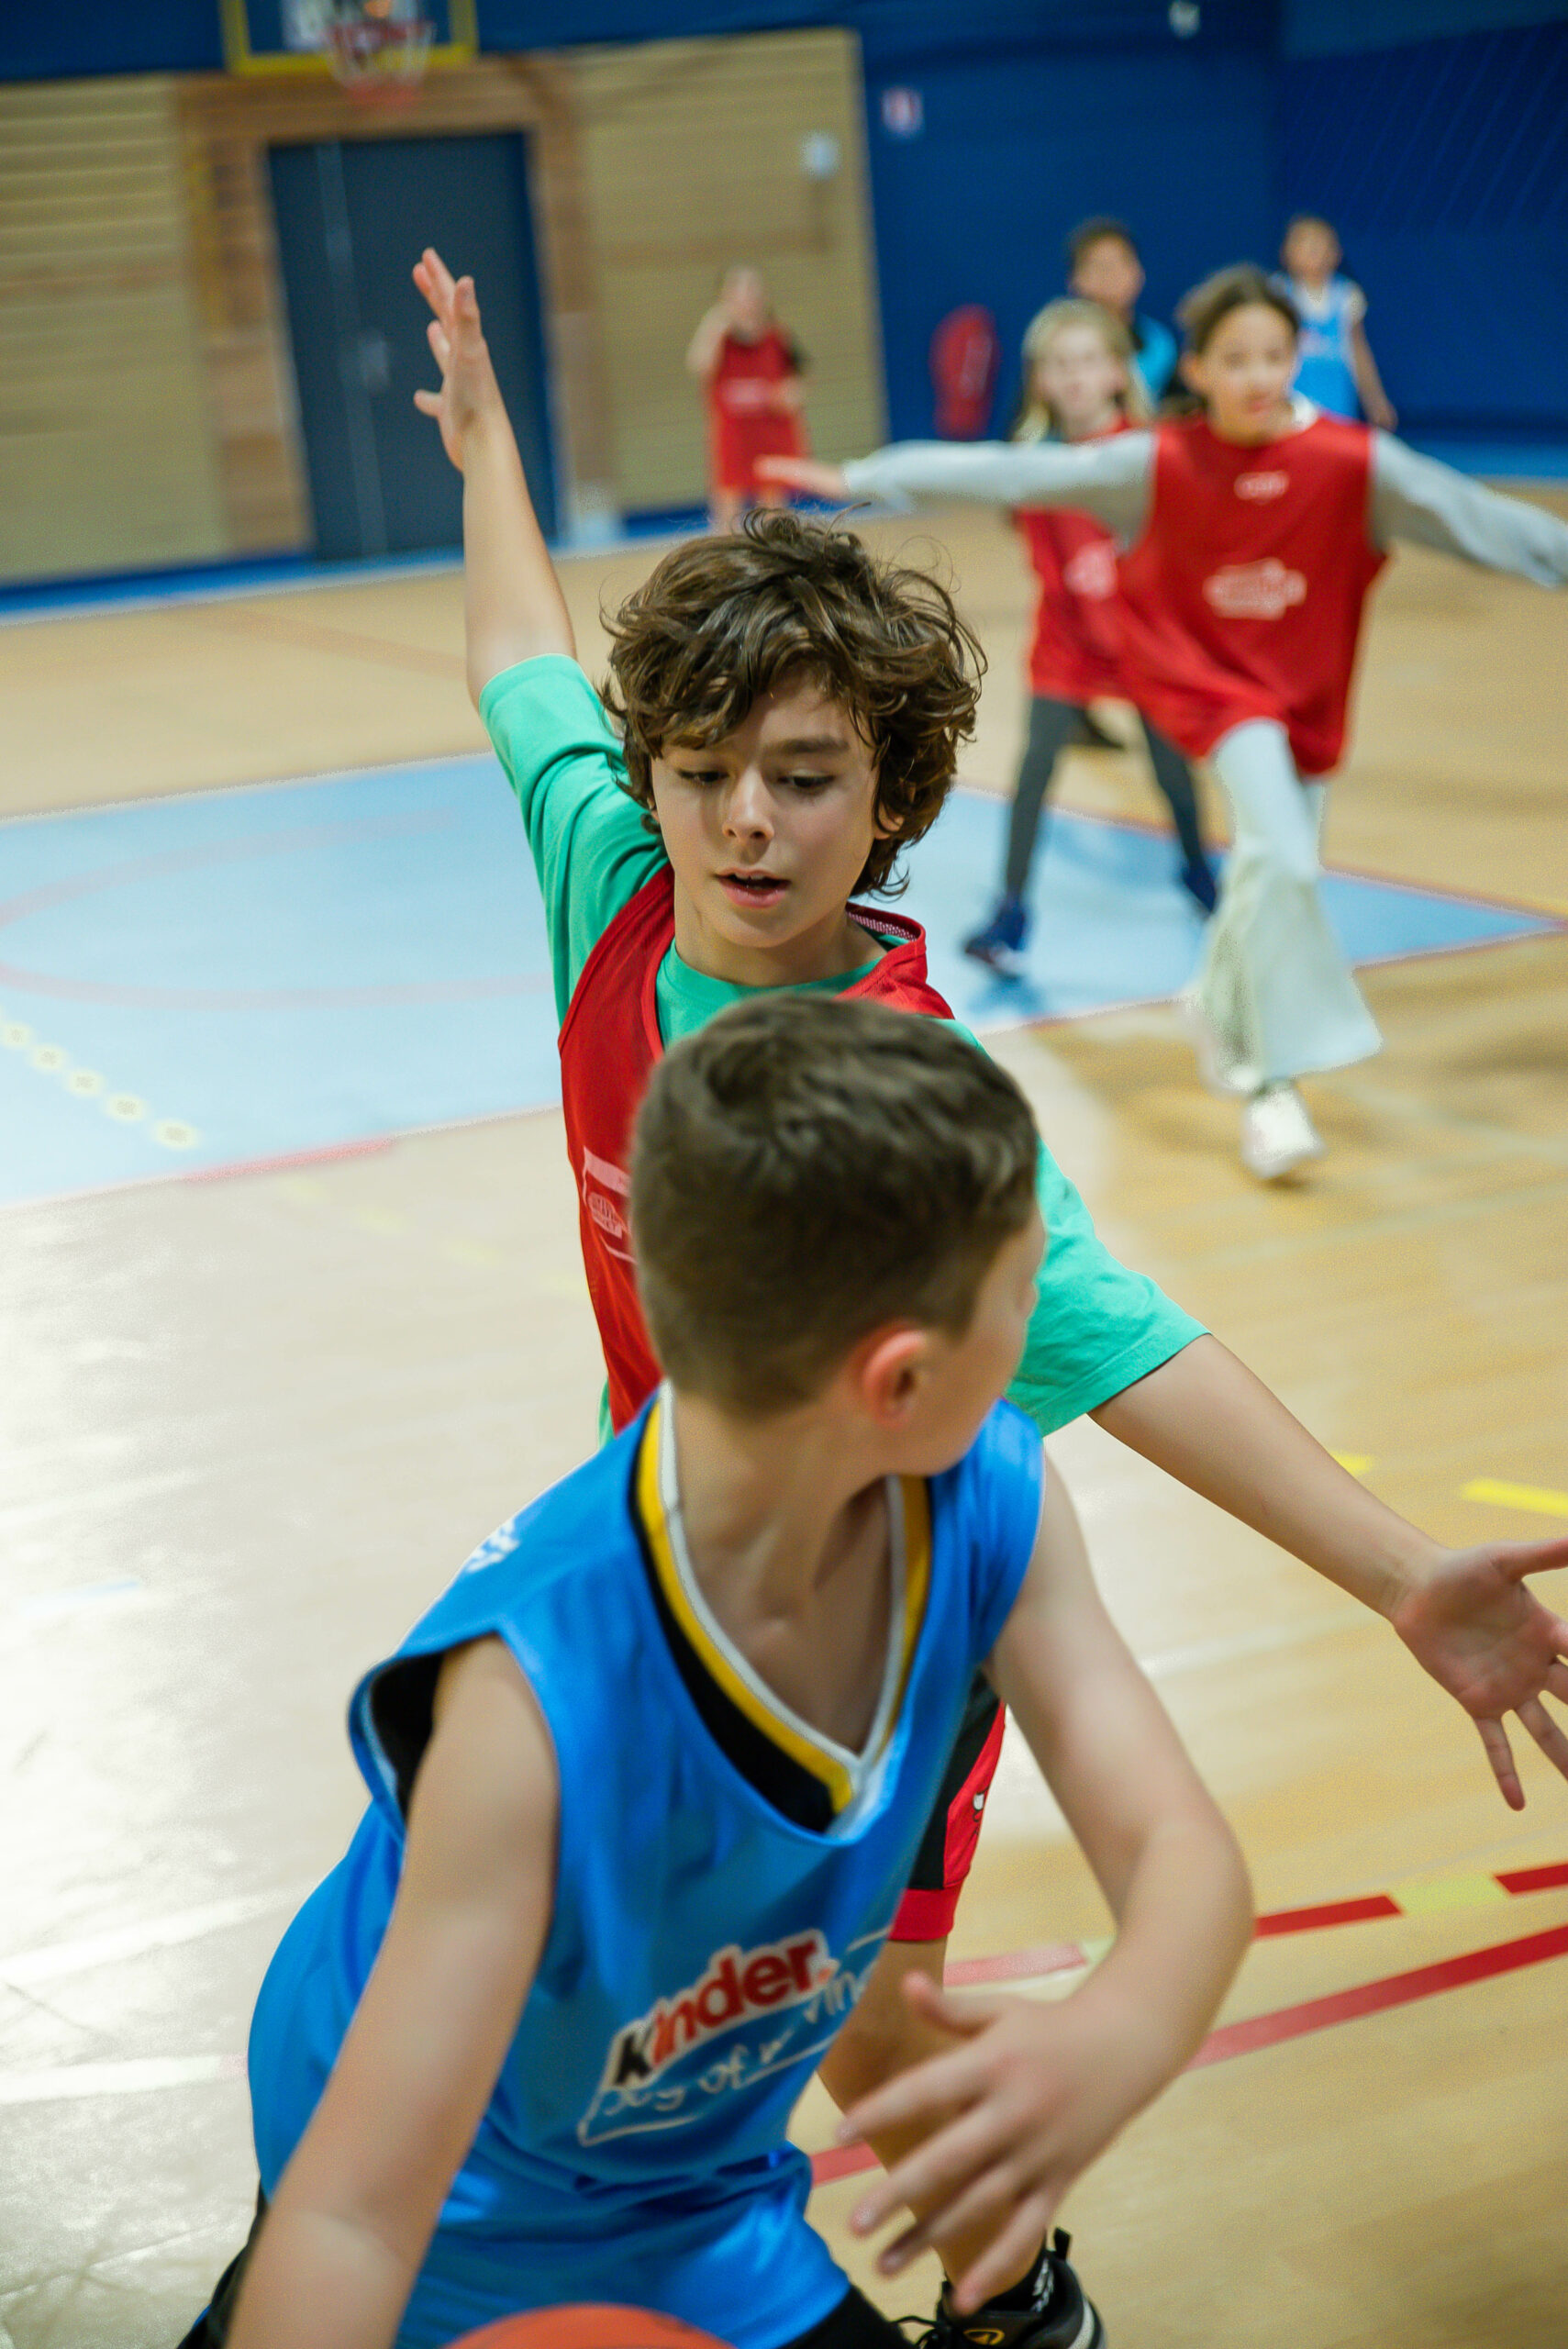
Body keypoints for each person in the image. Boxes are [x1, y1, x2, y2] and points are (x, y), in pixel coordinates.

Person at [414, 249, 1568, 2349]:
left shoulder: (901, 1096)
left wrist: (1401, 1567)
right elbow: (517, 647)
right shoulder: (610, 869)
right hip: (670, 1537)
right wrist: (489, 443)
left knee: (839, 1985)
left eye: (806, 774)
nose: (745, 821)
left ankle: (1016, 2288)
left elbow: (1119, 1332)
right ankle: (995, 2269)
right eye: (704, 771)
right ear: (647, 773)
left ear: (890, 797)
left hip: (889, 1590)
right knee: (758, 1975)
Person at [183, 996, 1256, 2349]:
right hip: (459, 2210)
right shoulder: (530, 1705)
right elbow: (350, 2219)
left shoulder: (991, 1496)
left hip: (700, 2188)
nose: (1043, 1313)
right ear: (902, 1380)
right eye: (1026, 1289)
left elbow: (1178, 1848)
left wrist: (1118, 2033)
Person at [762, 262, 1568, 1183]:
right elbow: (1012, 470)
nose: (1258, 375)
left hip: (1306, 699)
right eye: (1235, 358)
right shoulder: (1156, 464)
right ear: (1196, 368)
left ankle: (1215, 998)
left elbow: (1482, 522)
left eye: (1275, 355)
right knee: (1284, 860)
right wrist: (868, 475)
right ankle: (1271, 1087)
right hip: (1210, 692)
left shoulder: (1351, 466)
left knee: (1272, 870)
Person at [962, 298, 1217, 979]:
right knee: (1034, 767)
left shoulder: (1152, 450)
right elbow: (1050, 564)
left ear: (1115, 371)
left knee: (1172, 774)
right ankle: (1011, 909)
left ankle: (1198, 874)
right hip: (1069, 641)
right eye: (1058, 364)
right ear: (1040, 380)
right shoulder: (1034, 464)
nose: (1074, 377)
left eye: (1087, 361)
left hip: (1144, 640)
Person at [686, 266, 809, 533]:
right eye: (737, 291)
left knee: (773, 515)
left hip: (770, 435)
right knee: (727, 516)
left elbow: (797, 383)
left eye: (752, 290)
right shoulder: (719, 339)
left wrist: (788, 396)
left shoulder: (778, 335)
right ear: (724, 298)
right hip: (734, 438)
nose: (746, 298)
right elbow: (698, 366)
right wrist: (713, 325)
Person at [1275, 214, 1396, 429]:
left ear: (1335, 254)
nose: (1314, 253)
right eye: (1305, 244)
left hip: (1336, 400)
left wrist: (1375, 401)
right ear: (1287, 253)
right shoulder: (1276, 294)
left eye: (1321, 246)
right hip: (1291, 398)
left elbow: (1359, 353)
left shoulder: (1347, 296)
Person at [1065, 217, 1177, 406]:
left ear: (1139, 272)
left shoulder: (1159, 343)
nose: (1111, 273)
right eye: (1099, 265)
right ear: (1075, 279)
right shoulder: (1058, 345)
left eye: (1122, 261)